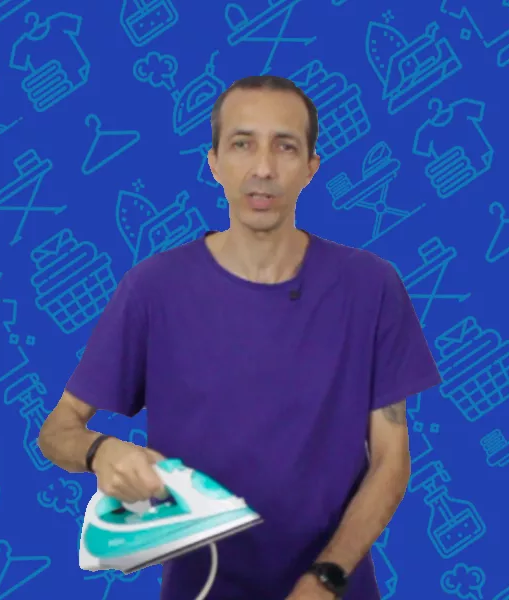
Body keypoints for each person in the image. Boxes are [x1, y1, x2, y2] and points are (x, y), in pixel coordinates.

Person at [38, 75, 443, 600]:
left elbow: (391, 460)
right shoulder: (153, 289)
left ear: (311, 167)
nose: (263, 168)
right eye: (242, 144)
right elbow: (57, 430)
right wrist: (101, 451)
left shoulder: (371, 287)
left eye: (285, 146)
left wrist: (327, 577)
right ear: (214, 162)